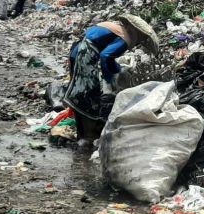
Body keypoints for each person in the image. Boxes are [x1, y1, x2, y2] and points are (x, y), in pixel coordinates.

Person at [52, 14, 159, 145]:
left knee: (79, 91)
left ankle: (82, 135)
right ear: (137, 33)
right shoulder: (124, 38)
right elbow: (106, 56)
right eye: (139, 41)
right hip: (86, 54)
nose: (137, 43)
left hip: (77, 50)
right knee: (89, 93)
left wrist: (117, 69)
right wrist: (110, 80)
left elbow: (108, 57)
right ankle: (87, 137)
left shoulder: (116, 28)